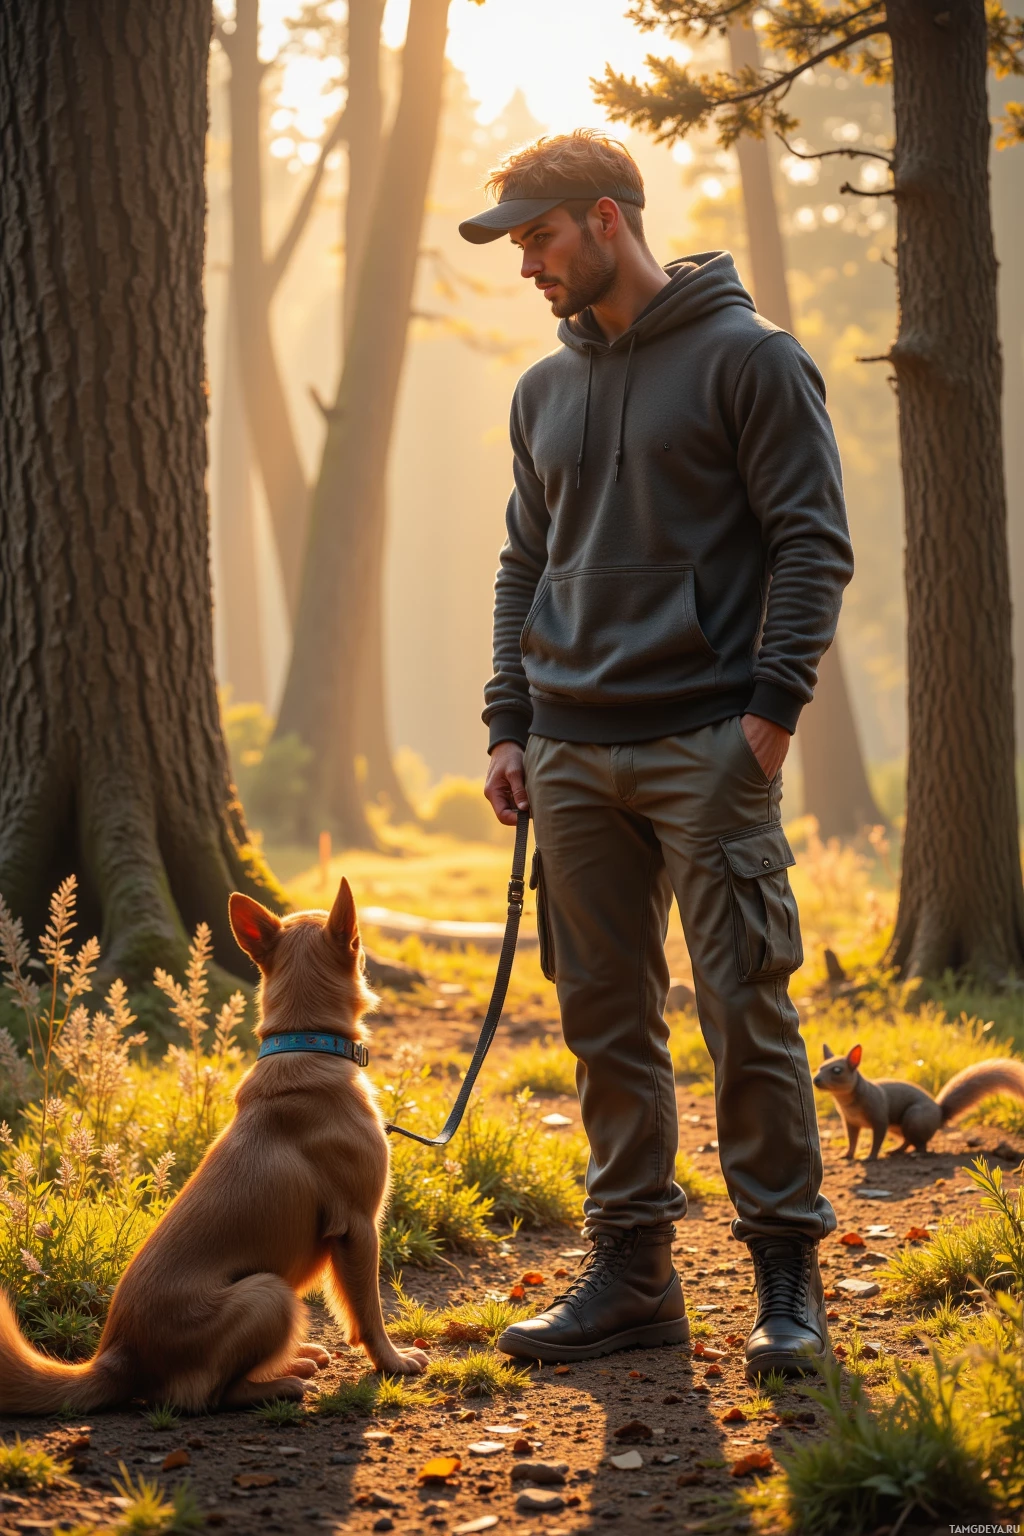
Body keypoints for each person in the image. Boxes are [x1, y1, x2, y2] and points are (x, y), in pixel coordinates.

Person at [460, 130, 852, 1379]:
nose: (525, 262)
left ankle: (786, 1275)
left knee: (747, 1009)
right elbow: (527, 561)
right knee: (603, 1022)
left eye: (536, 236)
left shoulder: (752, 361)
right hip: (571, 753)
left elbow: (810, 543)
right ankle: (631, 1274)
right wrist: (508, 721)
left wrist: (769, 715)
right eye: (516, 243)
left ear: (604, 218)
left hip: (706, 743)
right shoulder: (541, 391)